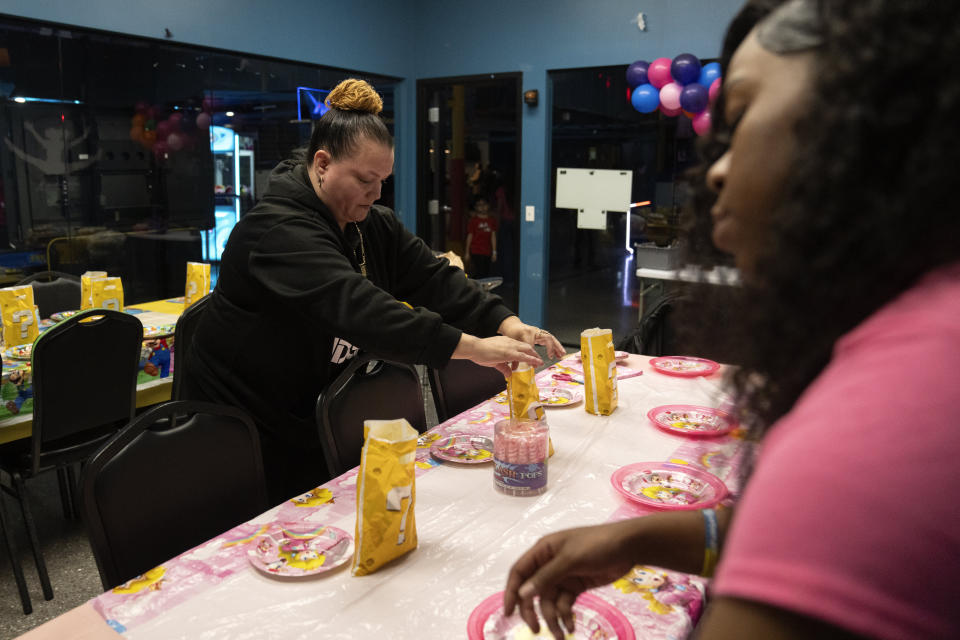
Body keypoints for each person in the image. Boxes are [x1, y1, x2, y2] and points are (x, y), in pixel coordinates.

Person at [503, 2, 960, 639]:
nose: (714, 168)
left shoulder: (891, 415)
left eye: (740, 117)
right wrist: (641, 538)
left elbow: (830, 510)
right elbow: (813, 534)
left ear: (872, 131)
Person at [182, 79, 563, 502]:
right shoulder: (276, 231)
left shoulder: (370, 222)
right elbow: (362, 310)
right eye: (365, 179)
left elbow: (433, 278)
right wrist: (473, 347)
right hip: (243, 424)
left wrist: (505, 323)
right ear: (323, 164)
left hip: (311, 408)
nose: (378, 193)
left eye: (383, 179)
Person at [465, 196, 497, 278]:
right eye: (479, 205)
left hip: (488, 250)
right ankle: (477, 289)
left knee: (486, 271)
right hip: (476, 250)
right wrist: (467, 252)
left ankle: (482, 289)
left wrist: (494, 251)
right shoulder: (473, 221)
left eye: (484, 204)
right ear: (475, 207)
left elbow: (493, 236)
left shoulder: (492, 220)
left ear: (488, 206)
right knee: (479, 271)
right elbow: (470, 236)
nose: (482, 207)